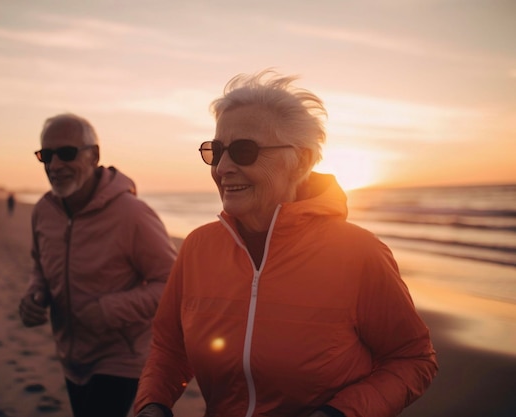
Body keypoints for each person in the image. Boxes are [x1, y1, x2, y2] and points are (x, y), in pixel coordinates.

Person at [134, 71, 438, 417]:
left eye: (244, 151)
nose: (223, 168)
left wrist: (340, 413)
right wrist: (153, 404)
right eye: (216, 151)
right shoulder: (197, 247)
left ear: (302, 161)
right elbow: (170, 347)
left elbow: (413, 359)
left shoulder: (359, 254)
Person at [19, 113, 177, 417]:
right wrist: (35, 295)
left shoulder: (132, 214)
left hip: (121, 358)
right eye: (46, 155)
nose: (54, 165)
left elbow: (172, 285)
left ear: (94, 156)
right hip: (70, 356)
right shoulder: (43, 211)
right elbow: (39, 264)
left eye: (66, 153)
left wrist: (107, 309)